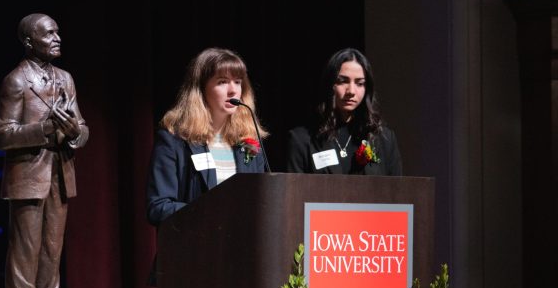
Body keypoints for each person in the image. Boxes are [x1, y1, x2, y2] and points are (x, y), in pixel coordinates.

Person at [0, 13, 89, 288]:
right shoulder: (16, 81)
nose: (57, 38)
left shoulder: (65, 79)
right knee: (26, 249)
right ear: (29, 41)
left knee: (52, 248)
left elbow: (82, 130)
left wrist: (75, 130)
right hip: (27, 175)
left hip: (60, 173)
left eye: (58, 32)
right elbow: (3, 135)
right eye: (49, 34)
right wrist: (44, 130)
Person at [146, 47, 268, 226]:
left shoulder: (249, 142)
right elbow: (157, 207)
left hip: (242, 248)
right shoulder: (174, 140)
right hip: (195, 248)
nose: (233, 90)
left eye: (238, 81)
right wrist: (210, 212)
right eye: (222, 82)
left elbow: (262, 201)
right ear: (201, 89)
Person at [286, 48, 402, 175]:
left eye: (360, 83)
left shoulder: (384, 139)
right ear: (329, 85)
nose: (351, 91)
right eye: (343, 81)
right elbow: (295, 193)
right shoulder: (302, 139)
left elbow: (396, 192)